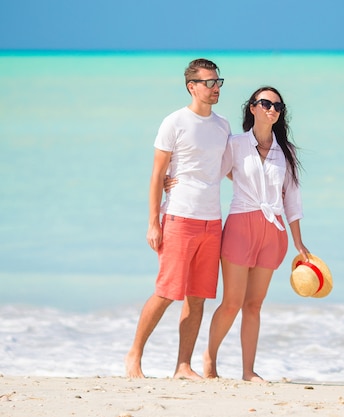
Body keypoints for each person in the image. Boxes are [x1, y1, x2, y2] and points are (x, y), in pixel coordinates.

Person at [125, 58, 231, 379]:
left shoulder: (223, 126)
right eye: (209, 83)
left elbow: (224, 170)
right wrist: (153, 222)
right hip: (179, 219)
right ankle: (134, 356)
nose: (215, 88)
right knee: (167, 292)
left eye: (218, 82)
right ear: (192, 87)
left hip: (212, 222)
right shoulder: (174, 122)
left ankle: (182, 366)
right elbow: (157, 175)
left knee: (197, 298)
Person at [206, 86, 309, 382]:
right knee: (232, 302)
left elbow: (292, 198)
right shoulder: (235, 144)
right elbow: (215, 172)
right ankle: (209, 361)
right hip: (240, 225)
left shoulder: (285, 152)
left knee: (254, 305)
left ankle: (248, 371)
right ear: (252, 108)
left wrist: (299, 241)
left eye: (278, 105)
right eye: (265, 103)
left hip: (273, 232)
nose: (272, 109)